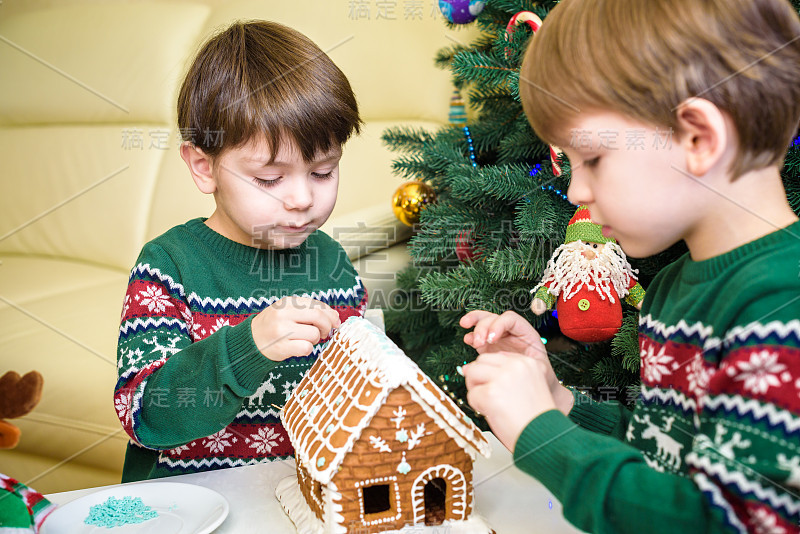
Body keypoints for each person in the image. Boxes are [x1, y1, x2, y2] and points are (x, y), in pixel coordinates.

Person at [460, 0, 800, 532]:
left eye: (592, 157)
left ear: (699, 138)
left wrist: (542, 434)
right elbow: (667, 457)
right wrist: (559, 401)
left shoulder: (782, 307)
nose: (575, 189)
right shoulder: (668, 288)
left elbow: (717, 522)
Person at [114, 21, 366, 482]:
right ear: (204, 167)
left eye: (323, 171)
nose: (302, 199)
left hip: (295, 501)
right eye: (270, 179)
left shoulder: (330, 263)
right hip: (187, 503)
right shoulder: (169, 266)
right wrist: (247, 348)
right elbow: (146, 414)